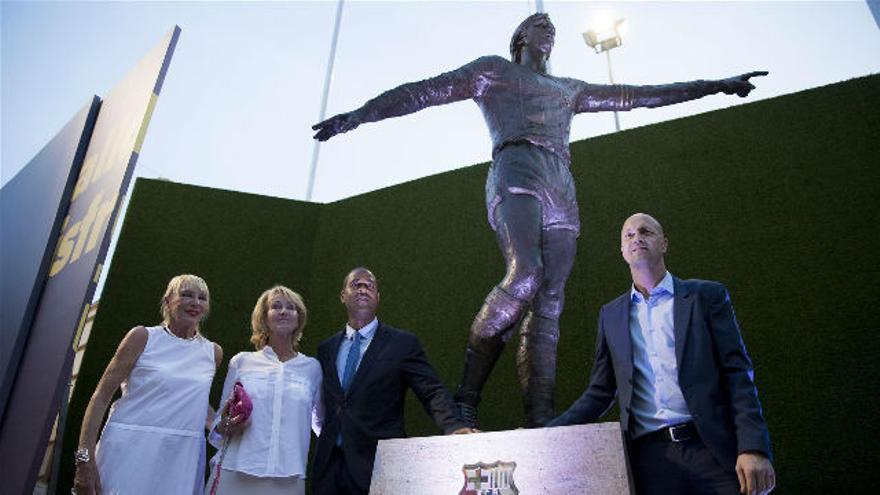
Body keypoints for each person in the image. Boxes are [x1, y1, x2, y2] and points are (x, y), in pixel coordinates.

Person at [312, 13, 768, 428]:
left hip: (560, 182)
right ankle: (467, 395)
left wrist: (716, 85)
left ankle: (541, 416)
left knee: (551, 298)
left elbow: (638, 96)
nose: (550, 32)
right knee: (526, 272)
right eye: (540, 26)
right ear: (520, 38)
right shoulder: (495, 70)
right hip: (516, 167)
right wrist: (358, 117)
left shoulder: (569, 89)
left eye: (553, 29)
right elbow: (423, 92)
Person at [548, 213, 775, 495]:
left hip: (713, 450)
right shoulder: (611, 315)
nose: (637, 237)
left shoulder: (706, 296)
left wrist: (753, 446)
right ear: (622, 251)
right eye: (628, 235)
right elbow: (599, 392)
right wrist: (546, 433)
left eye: (646, 231)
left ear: (664, 243)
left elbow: (737, 373)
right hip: (651, 462)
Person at [310, 267, 473, 495]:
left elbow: (431, 390)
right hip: (329, 468)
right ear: (343, 296)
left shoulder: (402, 344)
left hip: (378, 464)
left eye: (370, 285)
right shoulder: (325, 349)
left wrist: (455, 426)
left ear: (378, 297)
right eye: (355, 284)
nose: (363, 288)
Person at [73, 274, 222, 495]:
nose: (195, 302)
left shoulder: (213, 352)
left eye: (202, 298)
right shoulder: (141, 337)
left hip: (182, 457)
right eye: (186, 295)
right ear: (167, 301)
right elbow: (101, 396)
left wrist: (224, 424)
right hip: (128, 449)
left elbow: (195, 402)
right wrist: (84, 460)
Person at [206, 285, 323, 495]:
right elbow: (218, 424)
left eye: (291, 307)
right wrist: (226, 424)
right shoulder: (241, 362)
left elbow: (321, 424)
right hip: (235, 471)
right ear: (264, 317)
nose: (284, 311)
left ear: (299, 318)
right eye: (276, 306)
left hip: (288, 478)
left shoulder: (312, 368)